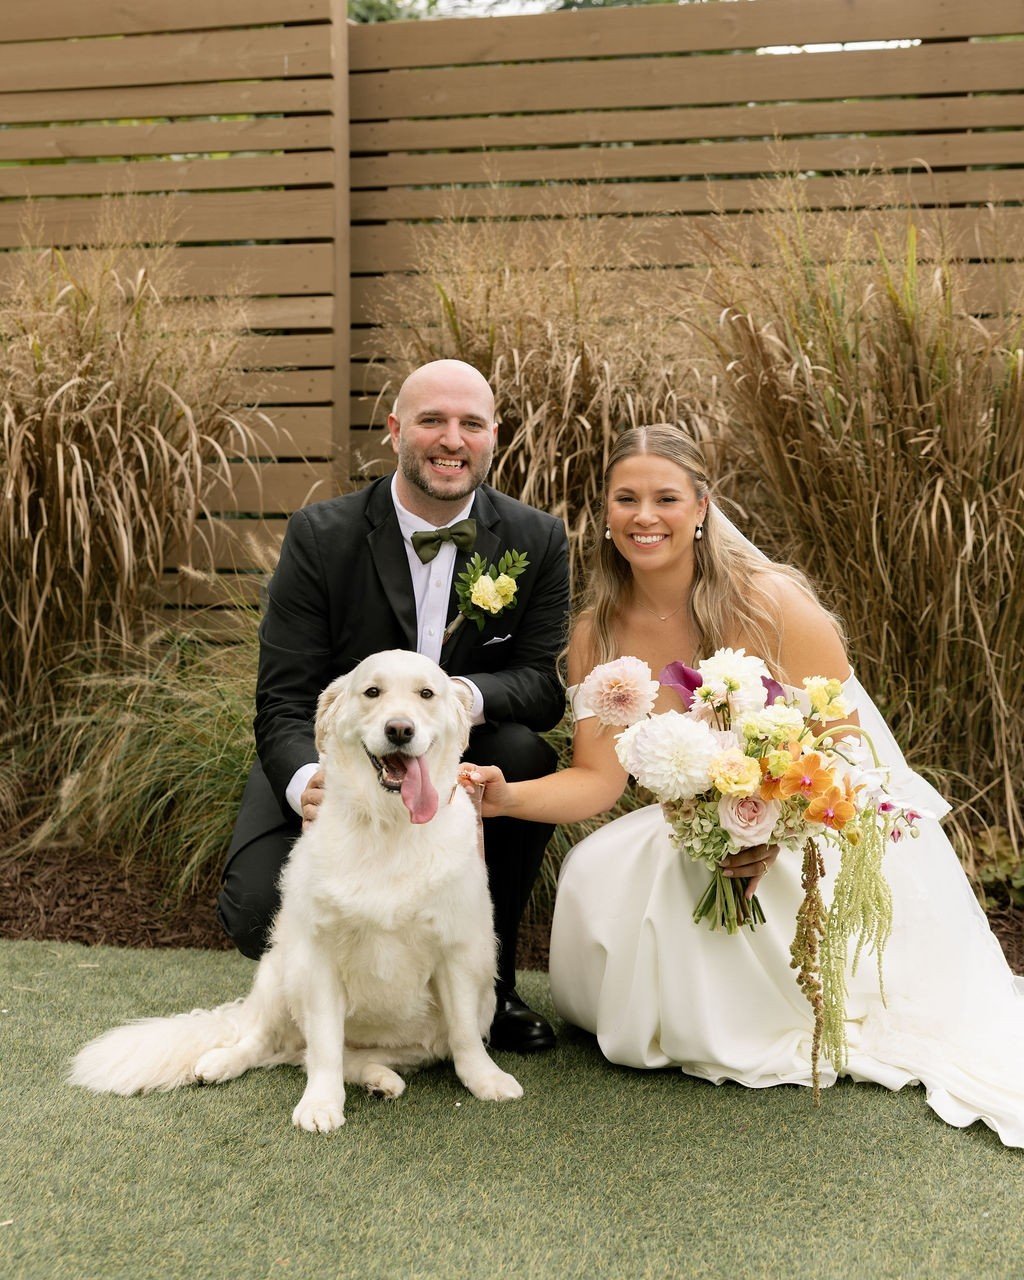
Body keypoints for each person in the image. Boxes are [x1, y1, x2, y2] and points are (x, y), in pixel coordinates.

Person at [465, 424, 1024, 1144]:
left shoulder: (770, 602)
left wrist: (771, 825)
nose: (645, 516)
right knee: (599, 868)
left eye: (665, 498)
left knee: (696, 881)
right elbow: (597, 782)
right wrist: (504, 795)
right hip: (694, 828)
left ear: (702, 506)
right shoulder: (594, 633)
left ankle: (771, 1004)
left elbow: (847, 749)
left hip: (812, 822)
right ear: (603, 512)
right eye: (626, 498)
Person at [218, 359, 569, 1052]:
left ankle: (486, 993)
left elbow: (541, 684)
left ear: (493, 435)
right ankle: (325, 995)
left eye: (470, 423)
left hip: (457, 754)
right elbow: (285, 696)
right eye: (432, 420)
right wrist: (304, 783)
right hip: (342, 754)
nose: (451, 439)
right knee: (256, 906)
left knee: (525, 752)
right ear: (395, 430)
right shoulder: (321, 536)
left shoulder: (536, 539)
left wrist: (462, 699)